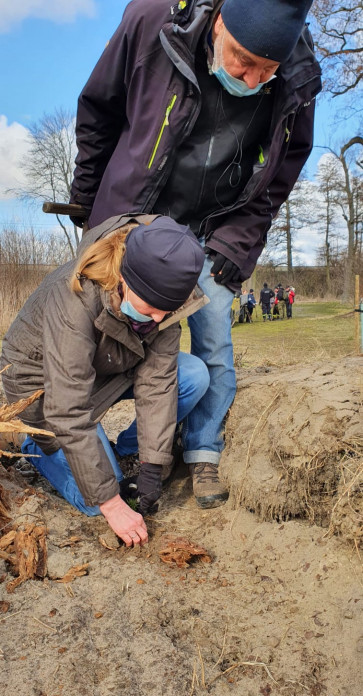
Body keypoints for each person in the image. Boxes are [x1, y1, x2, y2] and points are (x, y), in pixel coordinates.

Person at [70, 0, 321, 507]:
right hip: (132, 215)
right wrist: (88, 199)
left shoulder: (299, 76)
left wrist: (238, 241)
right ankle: (65, 434)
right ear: (222, 21)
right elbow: (99, 108)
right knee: (94, 330)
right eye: (242, 61)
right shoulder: (151, 21)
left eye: (265, 71)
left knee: (214, 345)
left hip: (214, 228)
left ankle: (197, 452)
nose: (251, 80)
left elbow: (280, 175)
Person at [0, 215, 209, 545]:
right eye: (151, 308)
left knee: (194, 374)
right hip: (42, 388)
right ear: (125, 280)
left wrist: (152, 466)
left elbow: (158, 382)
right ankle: (36, 447)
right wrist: (111, 502)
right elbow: (67, 409)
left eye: (166, 312)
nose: (158, 320)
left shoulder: (166, 304)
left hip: (103, 370)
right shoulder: (74, 297)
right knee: (98, 498)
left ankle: (124, 449)